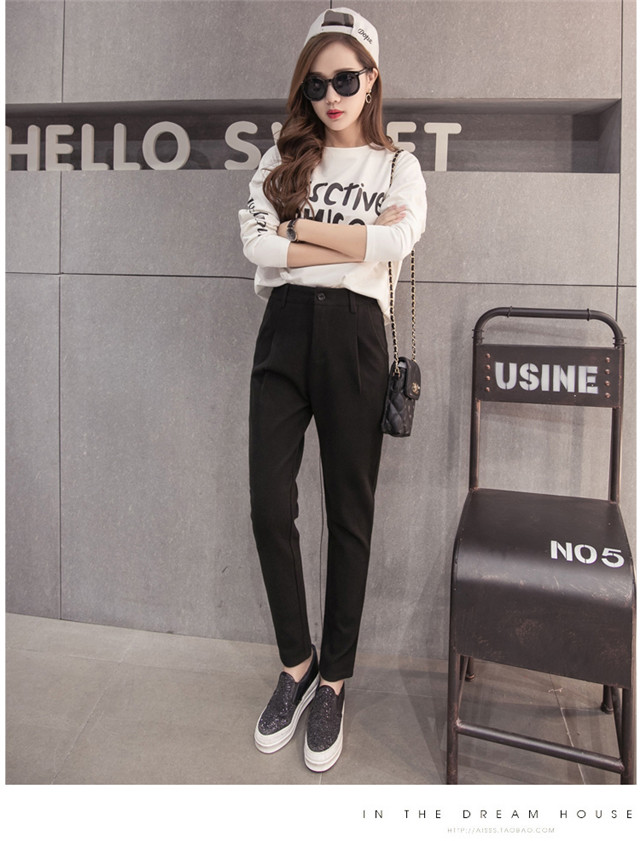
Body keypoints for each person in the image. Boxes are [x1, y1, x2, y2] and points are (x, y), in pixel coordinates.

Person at [238, 7, 427, 772]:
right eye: (316, 84)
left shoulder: (397, 167)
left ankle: (336, 682)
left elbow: (396, 239)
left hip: (355, 337)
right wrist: (348, 241)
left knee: (350, 516)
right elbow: (255, 244)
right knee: (267, 503)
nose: (331, 97)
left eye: (346, 79)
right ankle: (298, 662)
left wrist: (301, 234)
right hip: (285, 332)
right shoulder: (281, 159)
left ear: (372, 80)